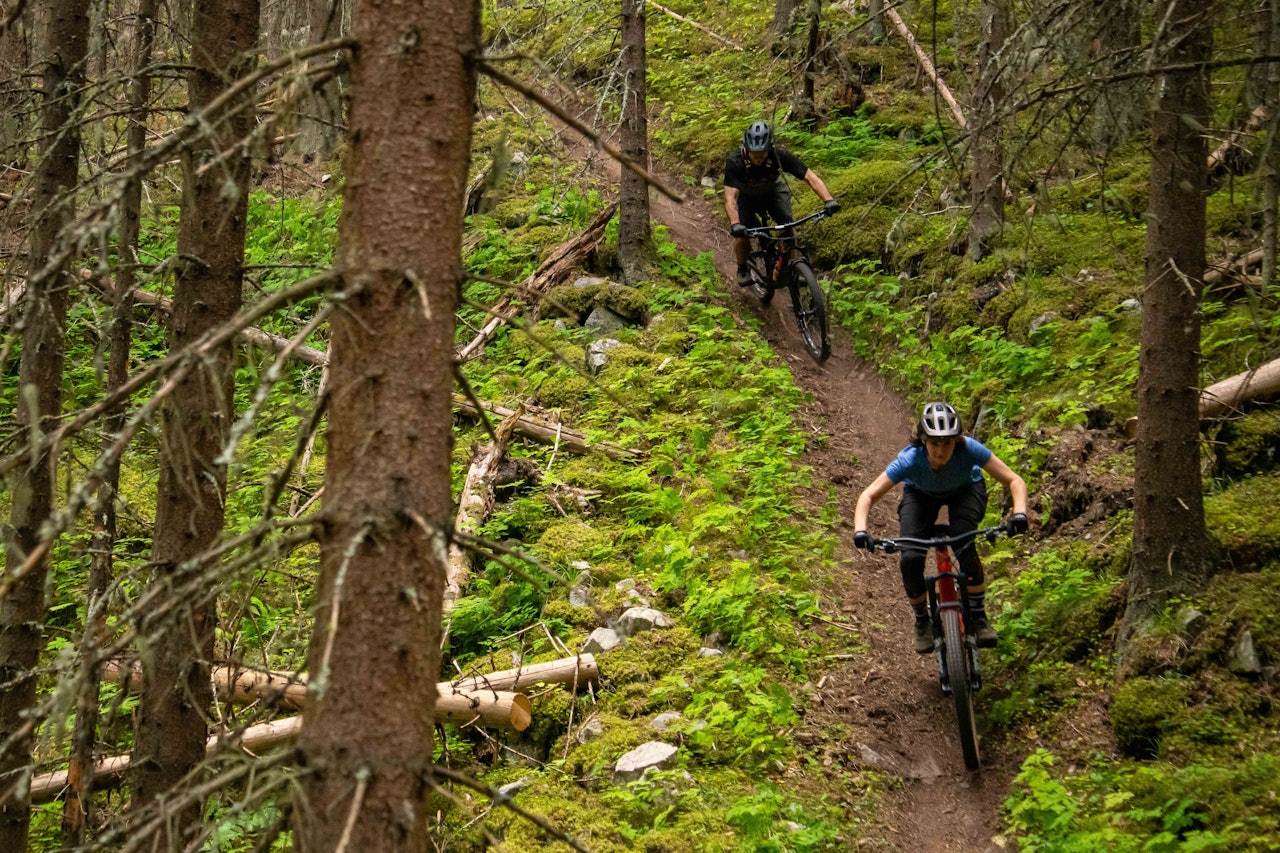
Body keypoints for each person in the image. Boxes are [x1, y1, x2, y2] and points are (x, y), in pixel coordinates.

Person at [851, 402, 1029, 653]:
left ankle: (978, 617)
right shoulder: (910, 460)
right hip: (920, 495)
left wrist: (1019, 513)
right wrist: (861, 530)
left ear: (957, 440)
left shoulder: (969, 450)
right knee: (911, 557)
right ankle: (922, 621)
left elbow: (1014, 480)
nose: (941, 450)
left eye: (947, 442)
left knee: (963, 542)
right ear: (923, 441)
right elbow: (868, 495)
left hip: (966, 491)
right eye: (934, 443)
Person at [725, 120, 839, 288]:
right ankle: (742, 268)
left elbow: (810, 177)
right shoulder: (736, 162)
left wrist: (828, 199)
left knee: (789, 225)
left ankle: (793, 267)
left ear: (769, 148)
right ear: (746, 149)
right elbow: (730, 198)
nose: (758, 157)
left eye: (762, 153)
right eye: (754, 153)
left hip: (772, 192)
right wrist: (735, 224)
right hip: (746, 198)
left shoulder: (780, 155)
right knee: (742, 234)